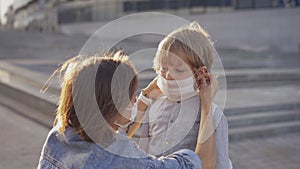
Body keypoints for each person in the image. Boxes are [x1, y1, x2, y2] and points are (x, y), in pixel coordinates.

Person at [37, 51, 218, 169]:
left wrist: (146, 96)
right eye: (131, 98)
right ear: (111, 106)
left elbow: (112, 140)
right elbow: (199, 165)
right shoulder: (127, 161)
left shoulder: (58, 137)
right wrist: (207, 104)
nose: (134, 101)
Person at [127, 22, 232, 169]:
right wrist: (146, 96)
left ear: (200, 73)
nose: (168, 75)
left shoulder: (213, 115)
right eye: (163, 68)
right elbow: (143, 151)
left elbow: (219, 164)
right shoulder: (154, 107)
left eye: (179, 70)